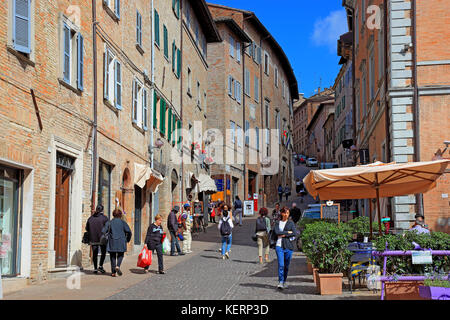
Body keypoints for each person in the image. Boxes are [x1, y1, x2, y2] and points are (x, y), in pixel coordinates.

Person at [102, 208, 132, 277]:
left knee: (112, 256)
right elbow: (129, 232)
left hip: (112, 241)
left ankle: (113, 272)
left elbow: (103, 231)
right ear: (120, 215)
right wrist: (127, 239)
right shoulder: (123, 222)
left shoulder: (109, 222)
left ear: (113, 215)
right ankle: (118, 266)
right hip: (121, 240)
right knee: (121, 255)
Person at [274, 207, 298, 289]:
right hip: (279, 246)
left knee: (286, 266)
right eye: (285, 213)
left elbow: (294, 233)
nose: (286, 215)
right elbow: (277, 232)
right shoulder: (277, 223)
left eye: (288, 213)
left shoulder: (291, 223)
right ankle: (280, 282)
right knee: (281, 264)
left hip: (288, 246)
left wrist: (284, 234)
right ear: (282, 213)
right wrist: (288, 232)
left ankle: (284, 281)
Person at [85, 204, 109, 274]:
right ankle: (100, 266)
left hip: (93, 238)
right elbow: (108, 228)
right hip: (102, 238)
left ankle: (95, 268)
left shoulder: (90, 218)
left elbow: (87, 228)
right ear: (102, 210)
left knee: (94, 253)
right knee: (103, 252)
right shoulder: (105, 218)